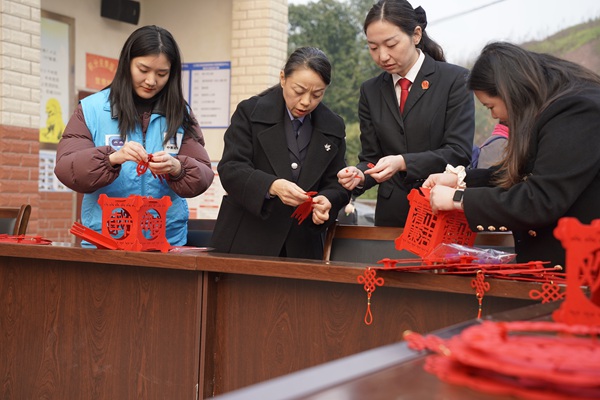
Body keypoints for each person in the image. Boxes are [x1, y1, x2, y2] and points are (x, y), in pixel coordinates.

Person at [424, 41, 600, 267]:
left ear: (510, 92)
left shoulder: (576, 111)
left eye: (490, 106)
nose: (495, 117)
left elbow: (539, 199)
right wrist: (461, 180)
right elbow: (525, 173)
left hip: (584, 273)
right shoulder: (553, 106)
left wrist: (458, 199)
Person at [55, 25, 214, 246]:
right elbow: (66, 168)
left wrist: (178, 168)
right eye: (143, 69)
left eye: (162, 74)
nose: (151, 81)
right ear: (127, 63)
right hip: (105, 242)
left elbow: (204, 173)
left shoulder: (180, 113)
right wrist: (111, 159)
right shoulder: (91, 109)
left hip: (166, 243)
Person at [337, 0, 474, 227]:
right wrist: (361, 175)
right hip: (392, 215)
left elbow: (458, 152)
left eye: (391, 44)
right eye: (373, 47)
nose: (382, 56)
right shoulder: (370, 90)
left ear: (416, 34)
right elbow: (372, 158)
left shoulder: (454, 80)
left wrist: (402, 162)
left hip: (440, 210)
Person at [210, 47, 350, 259]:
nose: (306, 102)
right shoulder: (250, 113)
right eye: (299, 91)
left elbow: (337, 183)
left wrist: (327, 201)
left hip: (302, 246)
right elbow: (231, 169)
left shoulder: (333, 126)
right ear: (283, 78)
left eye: (317, 95)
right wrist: (272, 186)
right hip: (246, 240)